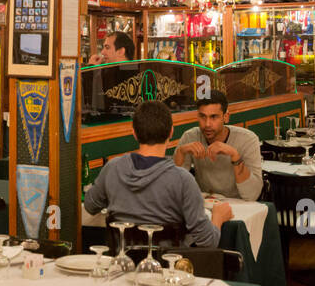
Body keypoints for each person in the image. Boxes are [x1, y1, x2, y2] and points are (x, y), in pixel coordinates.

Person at [84, 100, 231, 246]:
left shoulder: (113, 168)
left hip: (121, 265)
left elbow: (90, 205)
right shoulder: (183, 180)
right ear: (171, 132)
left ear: (134, 133)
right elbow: (208, 241)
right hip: (168, 266)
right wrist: (217, 217)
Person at [172, 91, 263, 201]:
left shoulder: (248, 139)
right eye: (202, 116)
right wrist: (181, 152)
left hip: (240, 205)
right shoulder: (190, 137)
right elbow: (174, 187)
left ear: (226, 117)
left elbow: (252, 195)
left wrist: (235, 156)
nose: (207, 124)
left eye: (214, 117)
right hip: (205, 205)